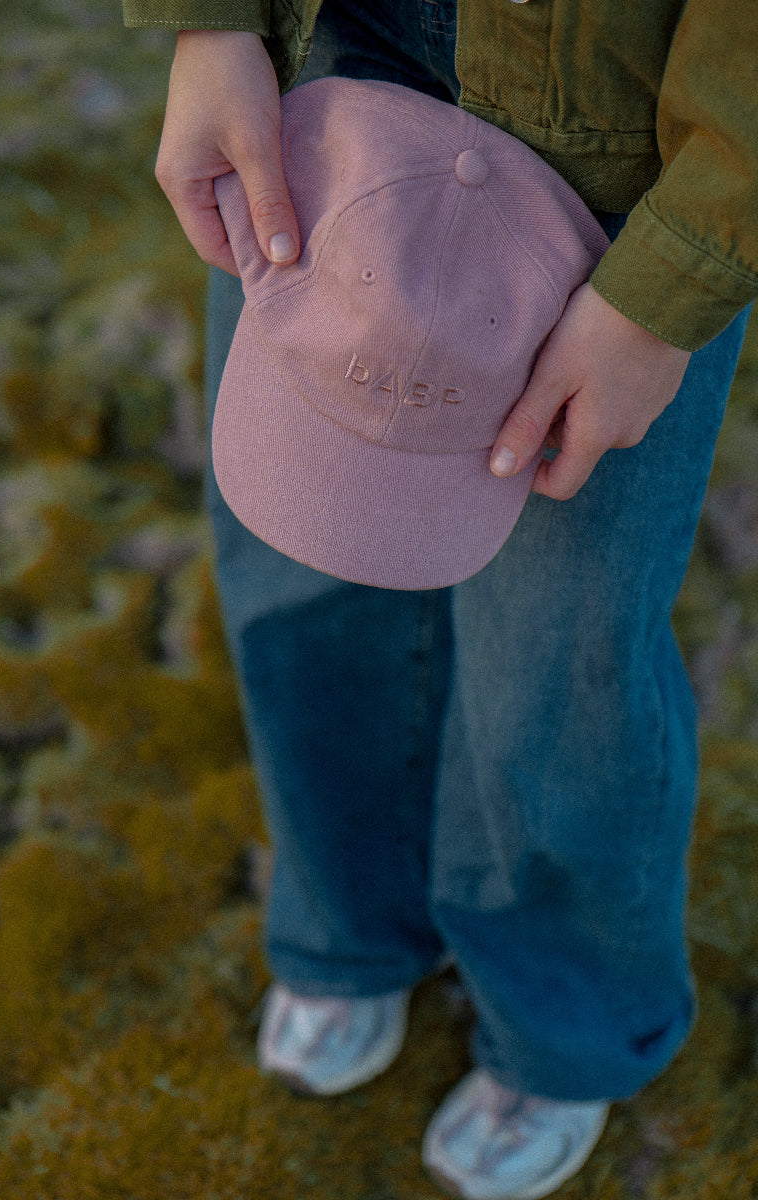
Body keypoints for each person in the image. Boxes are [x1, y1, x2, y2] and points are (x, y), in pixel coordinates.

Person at [123, 1, 758, 1196]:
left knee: (557, 663)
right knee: (294, 571)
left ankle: (562, 1020)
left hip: (627, 177)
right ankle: (346, 925)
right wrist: (206, 22)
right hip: (324, 63)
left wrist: (680, 273)